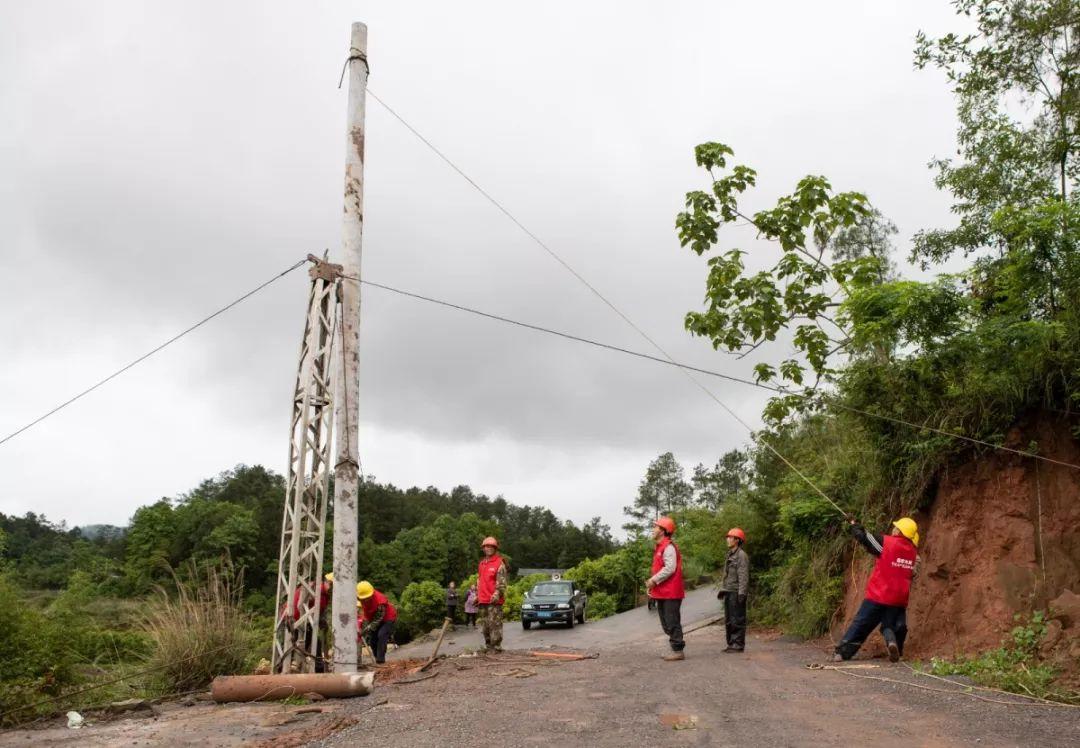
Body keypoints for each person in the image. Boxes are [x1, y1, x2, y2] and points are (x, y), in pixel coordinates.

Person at [833, 516, 920, 663]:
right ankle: (895, 646)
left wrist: (855, 527)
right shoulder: (913, 553)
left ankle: (843, 652)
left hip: (879, 594)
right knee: (894, 625)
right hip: (899, 598)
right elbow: (912, 573)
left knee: (862, 623)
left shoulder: (887, 543)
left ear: (899, 531)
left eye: (896, 527)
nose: (894, 528)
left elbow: (866, 539)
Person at [645, 516, 686, 661]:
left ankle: (678, 650)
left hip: (671, 592)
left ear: (663, 531)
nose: (653, 529)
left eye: (656, 527)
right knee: (666, 623)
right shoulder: (660, 547)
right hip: (663, 592)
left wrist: (653, 580)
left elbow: (670, 568)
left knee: (672, 621)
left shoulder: (668, 547)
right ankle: (675, 647)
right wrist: (653, 587)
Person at [719, 528, 749, 653]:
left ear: (737, 540)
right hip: (729, 591)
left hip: (737, 592)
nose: (728, 539)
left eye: (730, 537)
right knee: (729, 619)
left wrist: (742, 592)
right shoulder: (730, 554)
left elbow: (743, 575)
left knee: (737, 619)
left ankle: (738, 645)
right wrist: (723, 589)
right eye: (728, 537)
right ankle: (731, 643)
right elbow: (727, 575)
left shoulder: (741, 555)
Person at [476, 536, 508, 653]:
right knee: (485, 626)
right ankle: (488, 646)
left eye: (490, 547)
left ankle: (496, 647)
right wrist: (477, 595)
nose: (488, 548)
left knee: (495, 624)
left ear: (495, 548)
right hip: (482, 600)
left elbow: (502, 583)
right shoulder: (482, 564)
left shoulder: (500, 563)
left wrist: (497, 594)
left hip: (494, 600)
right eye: (486, 547)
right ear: (483, 549)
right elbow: (479, 580)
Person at [357, 580, 398, 665]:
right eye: (363, 599)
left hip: (387, 618)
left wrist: (365, 630)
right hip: (373, 620)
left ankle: (381, 660)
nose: (365, 600)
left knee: (381, 635)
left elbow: (378, 619)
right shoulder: (359, 597)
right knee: (373, 641)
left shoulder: (380, 600)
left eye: (367, 598)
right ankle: (377, 659)